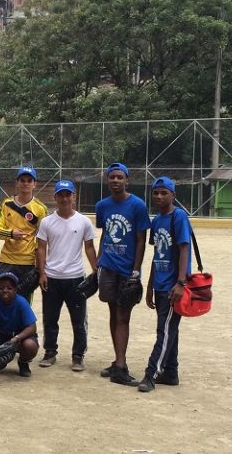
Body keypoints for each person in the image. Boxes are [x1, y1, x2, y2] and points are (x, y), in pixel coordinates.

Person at [95, 162, 151, 386]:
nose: (115, 180)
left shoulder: (137, 205)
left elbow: (141, 240)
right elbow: (105, 235)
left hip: (127, 270)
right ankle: (118, 360)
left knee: (123, 316)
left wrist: (135, 271)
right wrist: (98, 262)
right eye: (112, 177)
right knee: (112, 312)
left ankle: (121, 364)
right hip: (108, 267)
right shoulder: (102, 206)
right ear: (107, 180)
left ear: (127, 180)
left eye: (120, 177)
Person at [36, 179, 98, 372]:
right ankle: (50, 352)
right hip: (52, 277)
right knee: (50, 318)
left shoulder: (84, 222)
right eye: (60, 195)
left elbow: (89, 247)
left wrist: (97, 271)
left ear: (74, 196)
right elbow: (41, 249)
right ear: (55, 197)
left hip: (76, 278)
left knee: (79, 319)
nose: (64, 198)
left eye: (67, 194)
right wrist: (42, 273)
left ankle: (78, 356)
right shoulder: (47, 222)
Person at [138, 177, 191, 393]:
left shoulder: (178, 217)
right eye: (156, 193)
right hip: (159, 285)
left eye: (164, 193)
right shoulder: (157, 220)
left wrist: (180, 283)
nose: (159, 196)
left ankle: (152, 373)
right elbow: (156, 254)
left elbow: (184, 249)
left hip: (172, 286)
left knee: (165, 331)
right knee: (170, 330)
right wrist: (149, 286)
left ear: (173, 195)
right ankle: (171, 372)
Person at [0, 166, 48, 298]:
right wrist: (11, 234)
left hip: (27, 263)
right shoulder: (6, 204)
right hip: (5, 260)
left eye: (29, 180)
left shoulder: (40, 209)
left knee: (22, 304)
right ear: (17, 183)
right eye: (22, 180)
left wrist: (41, 269)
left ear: (34, 184)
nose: (25, 183)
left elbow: (42, 241)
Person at [0, 272, 39, 378]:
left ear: (15, 290)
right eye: (1, 288)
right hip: (2, 333)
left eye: (9, 288)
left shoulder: (21, 302)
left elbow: (32, 327)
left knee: (30, 346)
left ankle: (23, 363)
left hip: (20, 334)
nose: (5, 290)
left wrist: (16, 338)